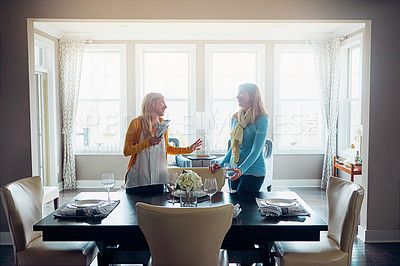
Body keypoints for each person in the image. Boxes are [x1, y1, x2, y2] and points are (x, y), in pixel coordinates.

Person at [123, 92, 202, 194]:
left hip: (158, 180)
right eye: (162, 102)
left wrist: (189, 149)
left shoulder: (163, 124)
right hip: (138, 181)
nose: (166, 106)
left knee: (157, 209)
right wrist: (148, 143)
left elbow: (167, 148)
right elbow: (126, 151)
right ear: (152, 103)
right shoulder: (136, 123)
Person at [209, 83, 268, 192]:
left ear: (252, 95)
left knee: (244, 204)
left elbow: (256, 150)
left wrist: (241, 169)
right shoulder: (235, 118)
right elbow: (233, 147)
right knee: (234, 204)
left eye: (241, 92)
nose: (237, 96)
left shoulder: (261, 119)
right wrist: (221, 164)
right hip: (234, 170)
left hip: (253, 171)